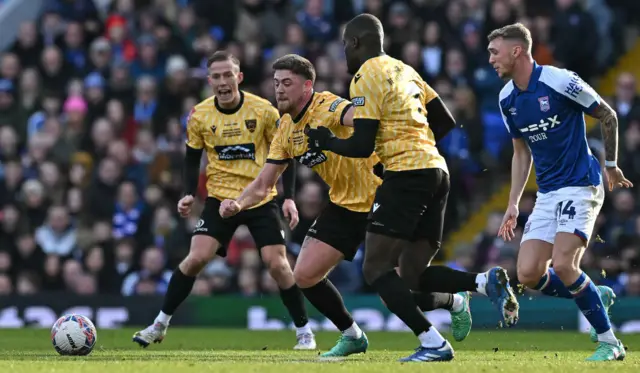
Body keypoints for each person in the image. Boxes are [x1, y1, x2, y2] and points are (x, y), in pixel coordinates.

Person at [220, 54, 508, 357]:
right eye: (276, 83)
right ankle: (353, 335)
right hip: (344, 204)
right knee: (303, 274)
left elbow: (363, 118)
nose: (279, 89)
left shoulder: (329, 106)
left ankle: (451, 306)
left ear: (307, 86)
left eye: (287, 83)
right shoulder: (284, 132)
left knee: (395, 288)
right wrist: (238, 204)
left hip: (382, 195)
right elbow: (264, 183)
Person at [304, 14, 519, 362]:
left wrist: (327, 141)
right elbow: (445, 121)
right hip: (437, 172)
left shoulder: (364, 77)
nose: (344, 51)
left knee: (375, 269)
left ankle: (433, 343)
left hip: (406, 175)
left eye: (345, 43)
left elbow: (360, 144)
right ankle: (481, 283)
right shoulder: (406, 70)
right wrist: (408, 144)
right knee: (413, 277)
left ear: (356, 42)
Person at [133, 51, 316, 350]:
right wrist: (188, 193)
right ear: (209, 81)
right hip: (220, 200)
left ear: (238, 77)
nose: (222, 81)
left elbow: (285, 154)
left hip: (259, 198)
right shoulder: (200, 115)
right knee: (195, 260)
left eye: (227, 75)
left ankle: (304, 332)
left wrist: (290, 198)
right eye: (216, 76)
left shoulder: (264, 111)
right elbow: (192, 160)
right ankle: (159, 325)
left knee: (278, 265)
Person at [489, 23, 631, 361]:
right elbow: (521, 152)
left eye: (495, 52)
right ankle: (596, 295)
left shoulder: (559, 81)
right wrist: (512, 204)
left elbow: (607, 115)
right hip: (549, 192)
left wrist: (610, 163)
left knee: (566, 263)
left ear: (516, 51)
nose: (491, 59)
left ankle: (610, 342)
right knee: (528, 274)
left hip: (581, 183)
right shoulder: (506, 98)